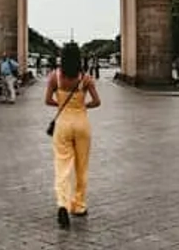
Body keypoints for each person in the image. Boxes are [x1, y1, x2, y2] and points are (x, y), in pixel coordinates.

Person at [46, 42, 101, 230]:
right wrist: (82, 106)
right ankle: (78, 205)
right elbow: (97, 101)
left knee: (62, 164)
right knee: (81, 166)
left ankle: (62, 203)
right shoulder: (85, 78)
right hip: (82, 124)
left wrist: (61, 104)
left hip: (63, 124)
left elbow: (47, 100)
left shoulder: (55, 77)